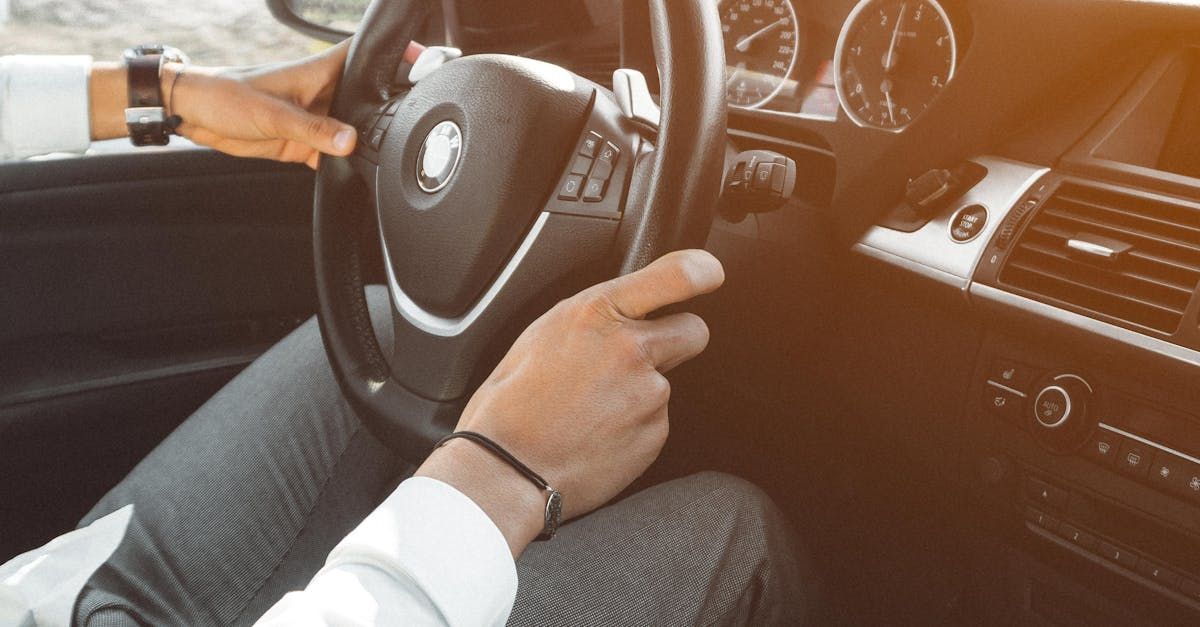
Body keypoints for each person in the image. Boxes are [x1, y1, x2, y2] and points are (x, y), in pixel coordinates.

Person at [0, 39, 817, 626]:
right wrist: (500, 469)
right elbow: (490, 479)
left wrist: (162, 92)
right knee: (733, 531)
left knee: (388, 330)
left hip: (60, 587)